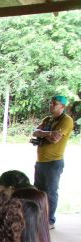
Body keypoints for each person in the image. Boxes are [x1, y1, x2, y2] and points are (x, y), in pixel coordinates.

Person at [32, 95, 74, 227]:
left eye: (54, 104)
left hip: (54, 162)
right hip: (40, 161)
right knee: (39, 191)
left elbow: (55, 138)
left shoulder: (66, 120)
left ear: (62, 106)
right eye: (50, 103)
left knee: (51, 192)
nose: (51, 105)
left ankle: (49, 220)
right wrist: (48, 133)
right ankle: (39, 218)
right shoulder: (47, 119)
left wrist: (44, 133)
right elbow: (35, 132)